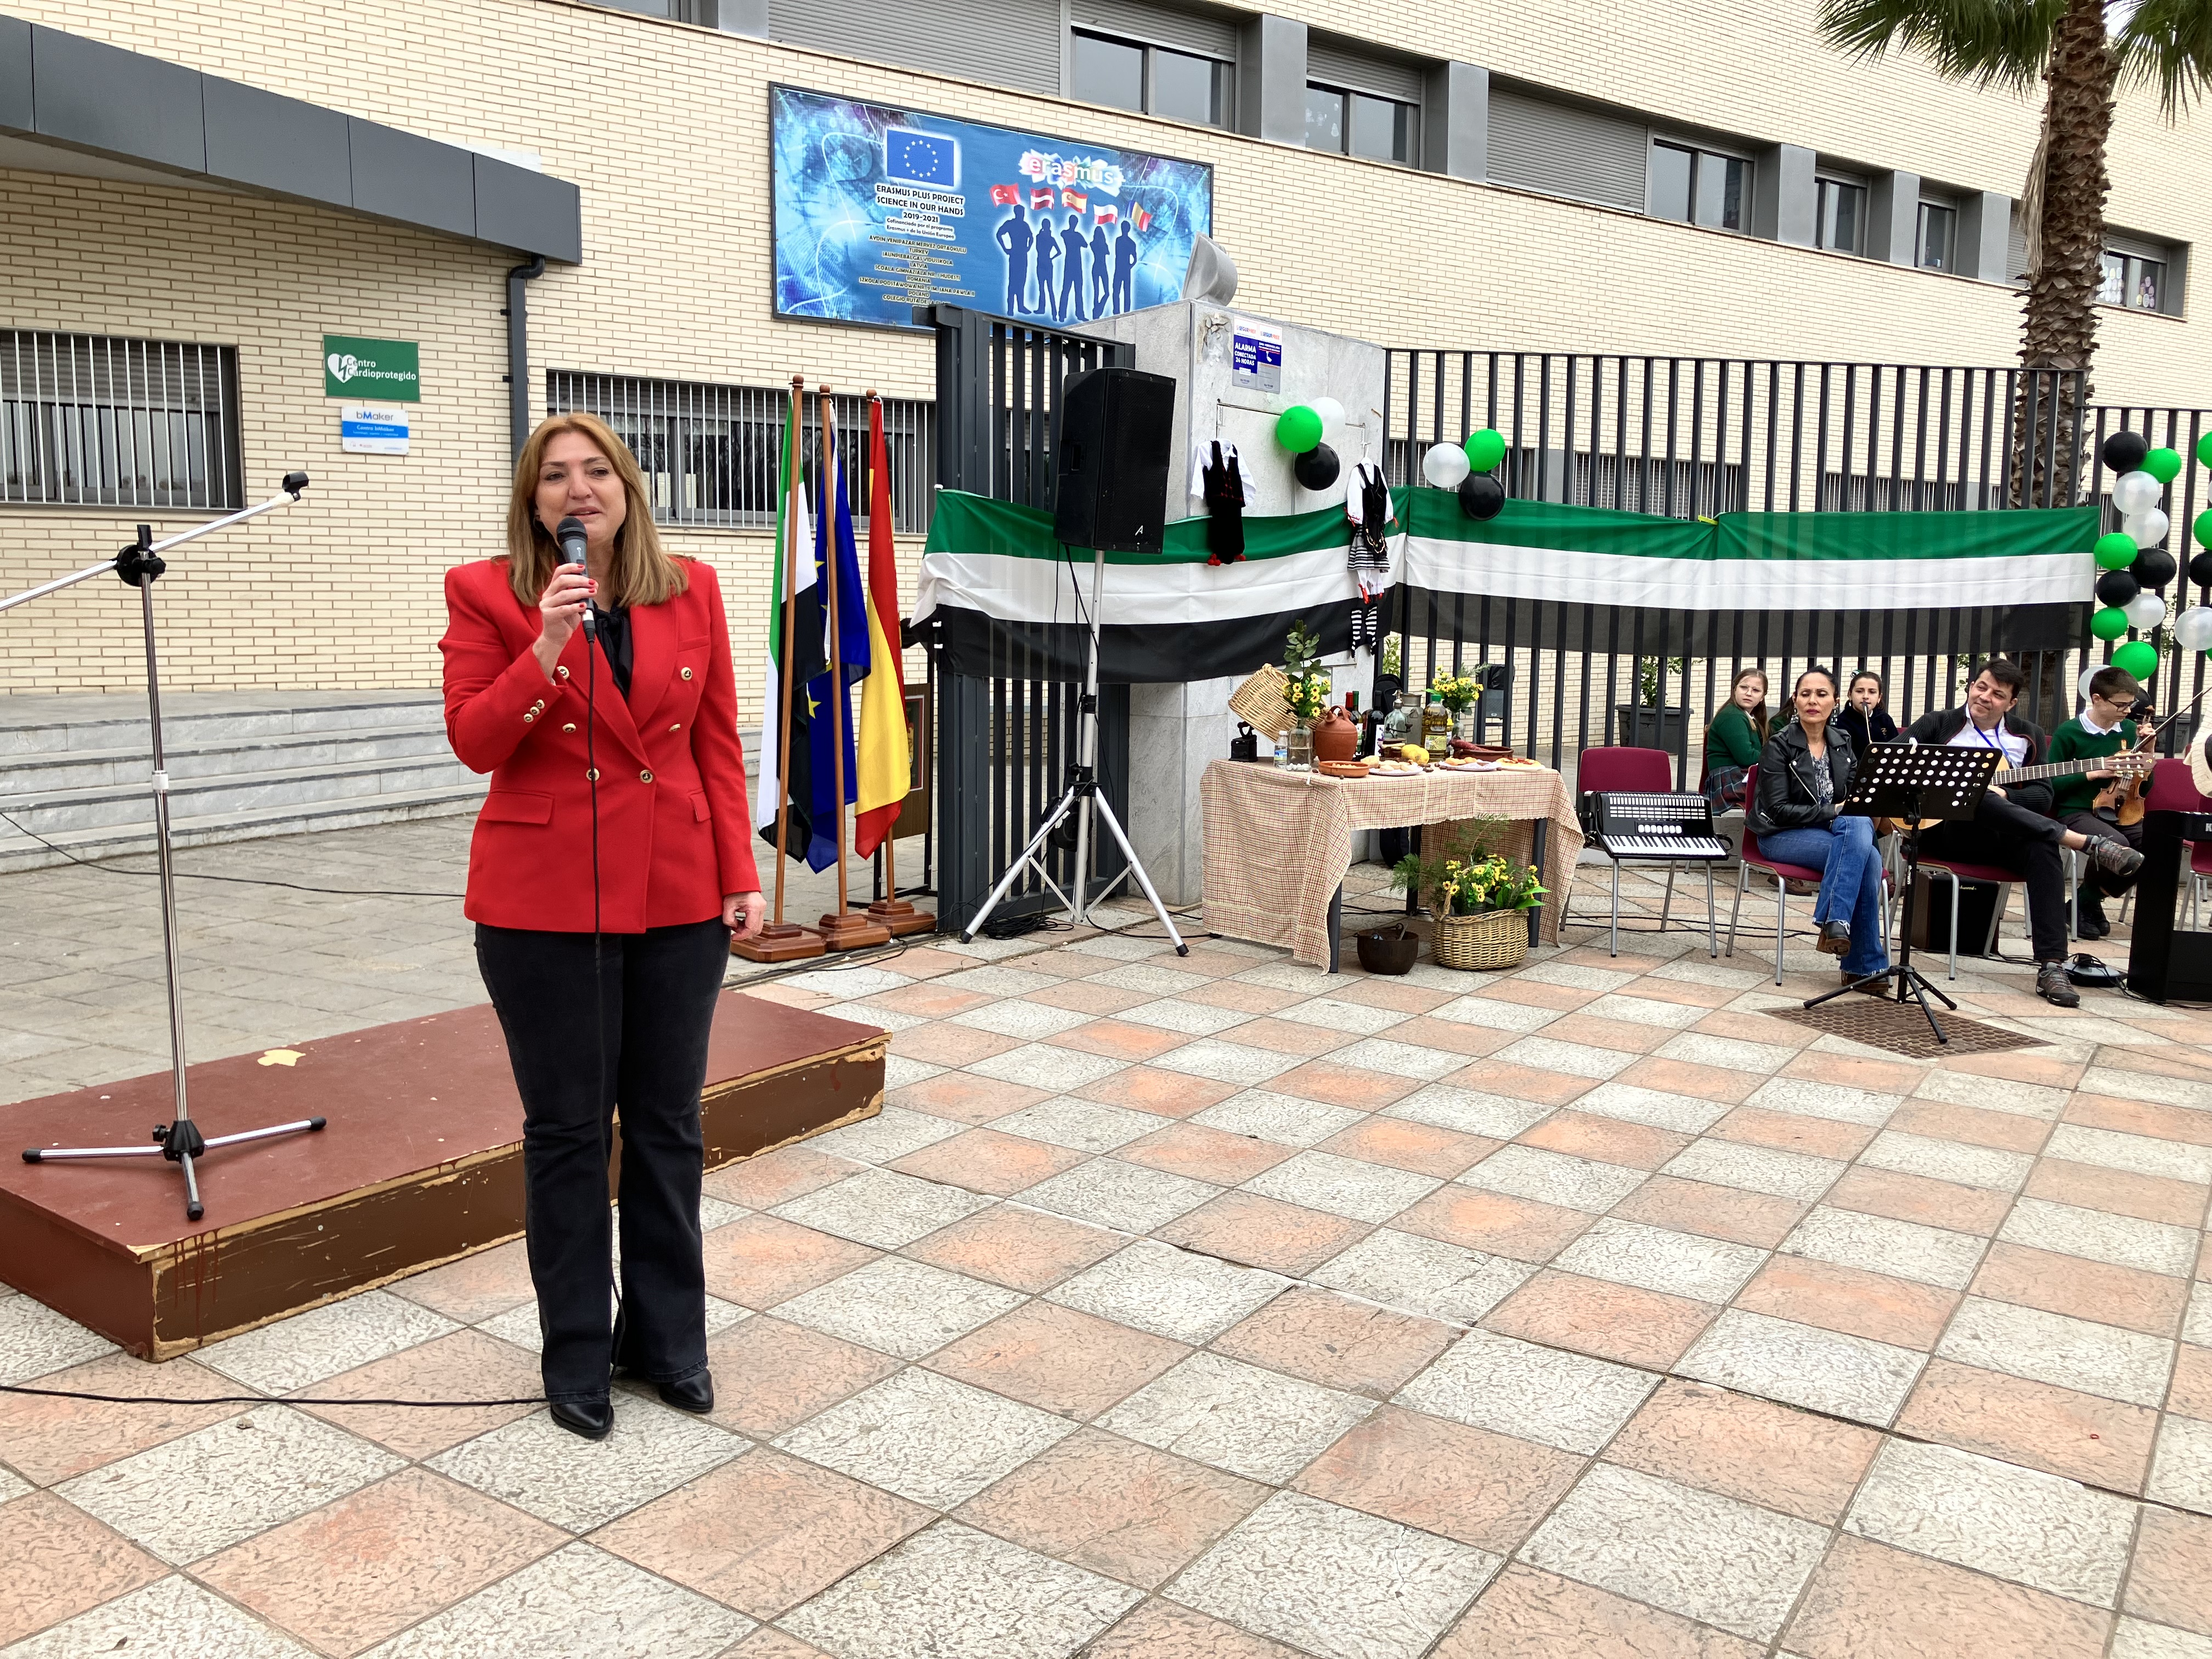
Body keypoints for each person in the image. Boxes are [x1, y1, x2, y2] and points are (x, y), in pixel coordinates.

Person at [441, 411, 768, 1441]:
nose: (577, 490)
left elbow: (715, 742)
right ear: (533, 500)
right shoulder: (486, 591)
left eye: (595, 471)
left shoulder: (696, 588)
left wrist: (740, 870)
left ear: (628, 486)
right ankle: (576, 1350)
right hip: (542, 904)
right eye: (554, 477)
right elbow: (474, 739)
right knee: (570, 1134)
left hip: (676, 895)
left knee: (668, 1126)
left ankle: (669, 1339)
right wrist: (545, 640)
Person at [1903, 657, 2142, 1006]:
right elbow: (1889, 760)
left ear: (2011, 703)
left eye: (1997, 694)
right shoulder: (1937, 723)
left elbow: (2044, 793)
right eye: (1980, 687)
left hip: (2000, 835)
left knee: (2040, 844)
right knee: (1977, 794)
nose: (1984, 697)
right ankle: (2081, 842)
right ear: (1971, 687)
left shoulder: (2026, 735)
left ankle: (2051, 965)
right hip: (1943, 833)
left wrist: (2007, 794)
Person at [1747, 666, 1891, 992]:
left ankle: (1836, 923)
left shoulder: (1843, 743)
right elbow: (1778, 810)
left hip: (1834, 833)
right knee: (1865, 856)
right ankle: (1862, 966)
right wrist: (1834, 812)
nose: (1813, 700)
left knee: (1859, 834)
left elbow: (1857, 800)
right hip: (1780, 834)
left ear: (1835, 702)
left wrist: (1845, 813)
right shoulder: (1779, 746)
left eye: (1822, 694)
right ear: (1795, 701)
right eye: (1806, 694)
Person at [2043, 665, 2150, 940]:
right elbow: (2050, 783)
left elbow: (2144, 785)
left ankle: (2087, 900)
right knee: (2118, 845)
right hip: (2076, 811)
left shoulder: (2129, 730)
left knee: (2155, 845)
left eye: (2131, 704)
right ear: (2097, 699)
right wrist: (2095, 773)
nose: (2128, 711)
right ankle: (2087, 904)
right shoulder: (2069, 732)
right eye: (2122, 705)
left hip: (2121, 810)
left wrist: (2148, 755)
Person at [1701, 667, 1768, 810]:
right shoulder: (1733, 716)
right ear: (1735, 690)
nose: (1749, 693)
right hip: (1729, 780)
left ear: (1762, 697)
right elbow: (1747, 757)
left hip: (1737, 776)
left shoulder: (1746, 716)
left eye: (1756, 690)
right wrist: (1775, 755)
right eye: (1744, 687)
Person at [1837, 669, 1897, 761]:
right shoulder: (1842, 723)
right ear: (1850, 695)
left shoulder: (1885, 719)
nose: (1866, 696)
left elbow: (1896, 749)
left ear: (1879, 698)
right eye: (1860, 691)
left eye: (1872, 692)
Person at [994, 204, 1034, 313]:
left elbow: (1031, 237)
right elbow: (999, 234)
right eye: (1021, 212)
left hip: (1023, 255)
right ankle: (1011, 308)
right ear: (1017, 213)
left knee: (1022, 281)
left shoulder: (1025, 225)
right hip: (1015, 254)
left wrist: (1028, 248)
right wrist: (1006, 248)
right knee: (1013, 281)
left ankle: (1021, 306)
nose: (1022, 215)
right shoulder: (1011, 224)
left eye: (1023, 213)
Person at [1058, 215, 1088, 322]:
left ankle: (1079, 314)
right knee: (1067, 289)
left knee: (1077, 290)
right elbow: (1084, 244)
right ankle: (1062, 315)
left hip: (1076, 265)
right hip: (1071, 264)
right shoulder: (1070, 234)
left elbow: (1086, 245)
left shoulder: (1071, 234)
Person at [1111, 219, 1138, 313]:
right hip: (1118, 269)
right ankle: (1116, 311)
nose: (1124, 229)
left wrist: (1129, 267)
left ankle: (1127, 312)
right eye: (1123, 228)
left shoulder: (1131, 243)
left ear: (1128, 229)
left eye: (1125, 228)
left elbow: (1135, 259)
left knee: (1127, 292)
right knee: (1116, 291)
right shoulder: (1118, 240)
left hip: (1126, 270)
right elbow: (1117, 254)